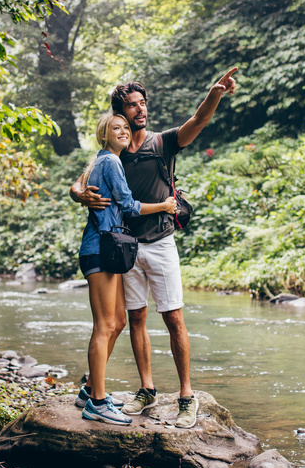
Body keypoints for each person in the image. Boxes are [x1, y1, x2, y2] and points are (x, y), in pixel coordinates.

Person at [70, 68, 238, 428]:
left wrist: (215, 94)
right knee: (135, 319)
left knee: (174, 317)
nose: (140, 110)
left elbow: (198, 120)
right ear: (120, 114)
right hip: (123, 247)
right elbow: (79, 183)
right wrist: (80, 194)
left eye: (143, 103)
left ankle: (186, 396)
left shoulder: (162, 142)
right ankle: (145, 390)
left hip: (161, 242)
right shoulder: (113, 149)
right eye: (132, 106)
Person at [77, 112, 177, 426]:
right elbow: (129, 204)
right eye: (114, 128)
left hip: (106, 248)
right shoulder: (110, 162)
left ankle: (92, 388)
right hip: (100, 248)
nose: (122, 131)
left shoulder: (100, 161)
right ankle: (96, 402)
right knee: (105, 325)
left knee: (119, 320)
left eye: (124, 127)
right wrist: (165, 205)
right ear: (103, 136)